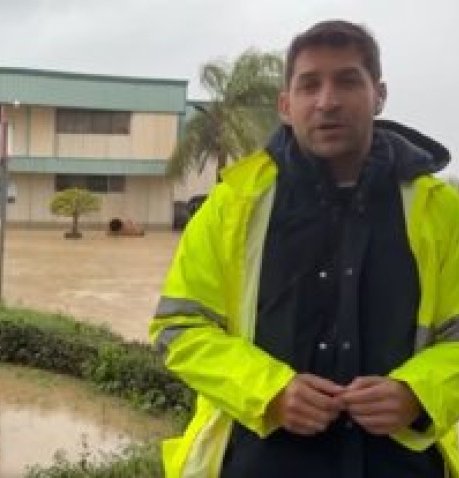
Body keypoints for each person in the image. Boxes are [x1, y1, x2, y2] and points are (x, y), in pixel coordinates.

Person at [150, 19, 459, 477]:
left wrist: (418, 393)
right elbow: (178, 328)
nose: (327, 101)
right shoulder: (233, 206)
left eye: (348, 81)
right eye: (309, 84)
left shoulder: (442, 212)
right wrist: (269, 392)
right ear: (285, 105)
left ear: (379, 95)